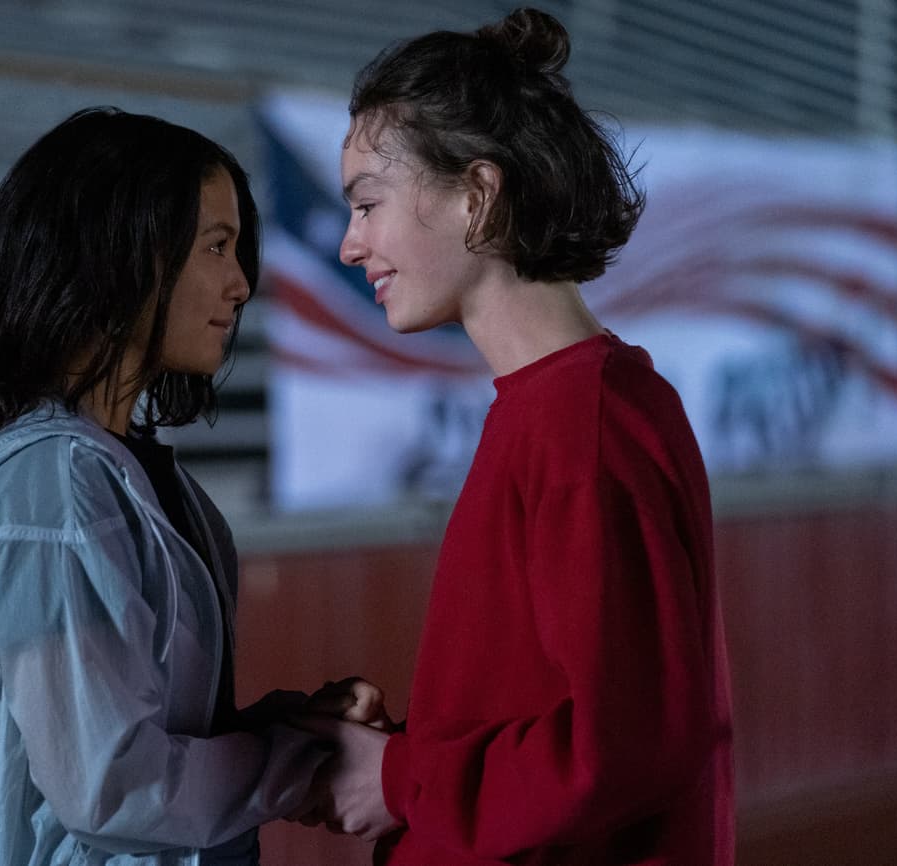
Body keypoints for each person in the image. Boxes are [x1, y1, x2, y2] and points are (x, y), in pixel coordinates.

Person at [0, 107, 380, 866]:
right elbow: (111, 786)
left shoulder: (122, 472)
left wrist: (301, 731)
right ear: (126, 256)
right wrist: (305, 763)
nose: (241, 285)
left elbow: (130, 736)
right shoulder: (46, 493)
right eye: (217, 247)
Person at [292, 8, 735, 865]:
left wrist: (403, 779)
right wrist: (412, 751)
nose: (350, 245)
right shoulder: (566, 406)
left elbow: (623, 747)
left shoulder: (582, 425)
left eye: (368, 205)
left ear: (478, 196)